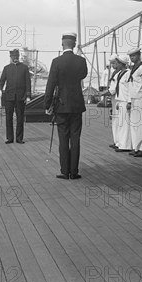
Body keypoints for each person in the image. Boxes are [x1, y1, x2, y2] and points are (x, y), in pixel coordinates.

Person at [43, 33, 88, 179]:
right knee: (75, 138)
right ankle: (74, 172)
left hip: (61, 106)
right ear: (74, 45)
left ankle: (64, 171)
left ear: (62, 44)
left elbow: (50, 85)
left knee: (63, 138)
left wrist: (47, 104)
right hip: (76, 105)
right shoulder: (81, 61)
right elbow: (83, 75)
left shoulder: (56, 62)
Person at [0, 49, 31, 144]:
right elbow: (2, 81)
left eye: (17, 56)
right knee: (8, 118)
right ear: (11, 57)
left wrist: (28, 95)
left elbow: (28, 82)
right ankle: (10, 138)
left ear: (19, 56)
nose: (15, 58)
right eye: (13, 56)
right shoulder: (6, 68)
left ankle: (19, 138)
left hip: (20, 97)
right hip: (9, 97)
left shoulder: (24, 68)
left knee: (20, 118)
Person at [99, 54, 132, 152]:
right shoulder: (119, 74)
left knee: (124, 123)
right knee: (119, 122)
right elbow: (113, 88)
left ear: (122, 64)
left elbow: (130, 89)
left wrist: (129, 101)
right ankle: (119, 142)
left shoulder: (128, 73)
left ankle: (125, 145)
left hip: (125, 100)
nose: (115, 64)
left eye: (117, 62)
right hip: (118, 99)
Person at [126, 47, 142, 157]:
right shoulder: (133, 68)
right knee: (134, 125)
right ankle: (136, 147)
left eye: (134, 55)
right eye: (131, 56)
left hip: (140, 99)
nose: (132, 58)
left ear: (139, 55)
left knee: (140, 125)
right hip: (133, 99)